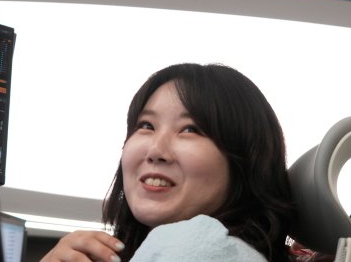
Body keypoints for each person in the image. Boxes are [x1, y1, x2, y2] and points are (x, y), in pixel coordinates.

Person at [41, 63, 296, 262]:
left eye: (190, 129)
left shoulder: (195, 247)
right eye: (146, 125)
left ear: (244, 161)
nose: (156, 150)